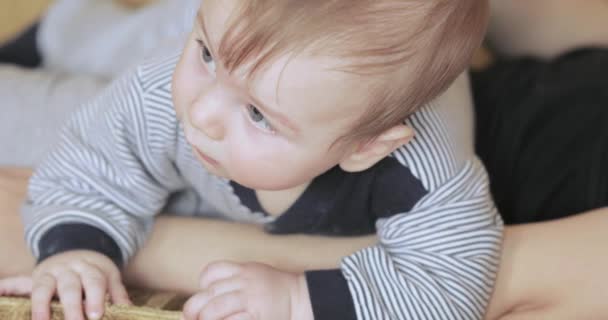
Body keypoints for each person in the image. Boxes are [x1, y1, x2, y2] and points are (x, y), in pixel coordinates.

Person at [3, 1, 502, 320]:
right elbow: (90, 165)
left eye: (260, 116)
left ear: (364, 149)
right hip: (204, 34)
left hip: (265, 54)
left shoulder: (422, 174)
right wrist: (77, 248)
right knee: (113, 52)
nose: (202, 114)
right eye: (204, 58)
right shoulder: (163, 91)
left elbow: (450, 275)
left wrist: (297, 299)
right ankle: (69, 24)